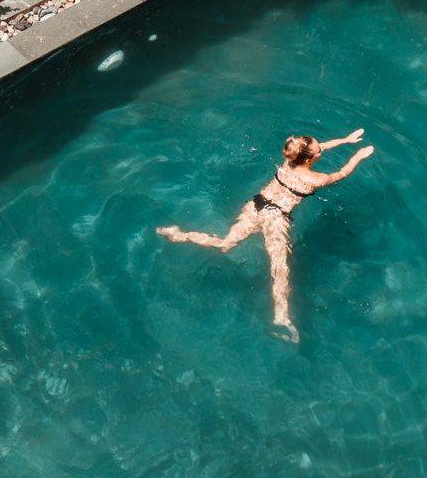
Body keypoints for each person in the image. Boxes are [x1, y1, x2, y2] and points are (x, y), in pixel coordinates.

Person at [157, 130, 375, 342]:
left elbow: (322, 147)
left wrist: (345, 140)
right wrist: (358, 155)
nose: (323, 149)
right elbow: (343, 173)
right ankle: (281, 317)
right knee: (281, 269)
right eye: (320, 150)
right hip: (275, 219)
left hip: (256, 206)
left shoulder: (289, 161)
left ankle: (179, 235)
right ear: (310, 158)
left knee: (225, 244)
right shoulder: (316, 178)